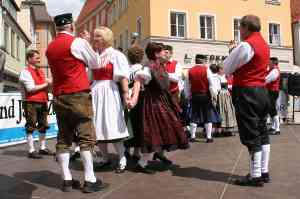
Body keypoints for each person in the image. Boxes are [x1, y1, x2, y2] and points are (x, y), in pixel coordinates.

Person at [46, 13, 109, 193]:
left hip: (59, 95)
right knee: (85, 137)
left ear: (57, 27)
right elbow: (96, 63)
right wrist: (88, 42)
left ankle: (66, 179)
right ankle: (90, 179)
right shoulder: (77, 42)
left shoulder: (50, 47)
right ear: (72, 26)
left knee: (64, 137)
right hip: (78, 94)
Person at [224, 15, 271, 186]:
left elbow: (227, 67)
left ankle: (255, 175)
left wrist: (232, 50)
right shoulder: (265, 45)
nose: (239, 32)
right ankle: (263, 171)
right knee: (262, 131)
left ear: (246, 28)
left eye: (240, 28)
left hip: (247, 92)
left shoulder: (246, 45)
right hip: (261, 91)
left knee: (251, 134)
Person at [130, 42, 189, 172]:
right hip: (153, 104)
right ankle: (142, 163)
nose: (166, 53)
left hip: (161, 102)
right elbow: (138, 80)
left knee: (164, 128)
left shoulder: (160, 66)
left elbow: (170, 78)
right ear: (156, 54)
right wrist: (134, 98)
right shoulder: (148, 67)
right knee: (153, 132)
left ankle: (159, 154)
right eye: (163, 51)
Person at [91, 27, 130, 174]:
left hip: (110, 91)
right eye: (95, 36)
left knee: (112, 124)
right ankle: (105, 158)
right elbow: (89, 76)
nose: (95, 39)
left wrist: (126, 94)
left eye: (99, 36)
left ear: (107, 38)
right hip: (95, 91)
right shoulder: (94, 55)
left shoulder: (116, 55)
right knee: (97, 126)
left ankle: (122, 158)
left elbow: (123, 76)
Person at [19, 50, 54, 159]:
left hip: (42, 101)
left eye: (39, 58)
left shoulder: (40, 71)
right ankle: (31, 150)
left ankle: (42, 148)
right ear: (29, 59)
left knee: (43, 125)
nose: (39, 60)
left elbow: (47, 84)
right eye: (36, 58)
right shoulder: (25, 72)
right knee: (31, 125)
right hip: (30, 102)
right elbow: (31, 89)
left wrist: (51, 82)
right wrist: (46, 84)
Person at [186, 54, 217, 143]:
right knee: (207, 116)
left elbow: (187, 86)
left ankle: (192, 136)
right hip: (205, 96)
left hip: (195, 96)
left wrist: (188, 96)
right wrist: (214, 95)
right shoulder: (207, 70)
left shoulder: (190, 71)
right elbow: (211, 85)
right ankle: (208, 137)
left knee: (194, 115)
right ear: (203, 61)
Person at [123, 45, 145, 164]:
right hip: (140, 100)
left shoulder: (125, 69)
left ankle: (126, 148)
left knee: (127, 124)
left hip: (127, 99)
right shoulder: (143, 69)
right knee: (139, 125)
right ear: (141, 57)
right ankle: (137, 152)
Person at [216, 65, 237, 136]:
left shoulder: (224, 76)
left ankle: (227, 130)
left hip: (227, 96)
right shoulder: (216, 77)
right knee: (221, 112)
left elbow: (230, 84)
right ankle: (218, 130)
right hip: (220, 96)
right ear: (218, 70)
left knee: (228, 112)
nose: (223, 70)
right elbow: (216, 87)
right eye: (221, 69)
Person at [266, 57, 281, 135]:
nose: (268, 63)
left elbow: (267, 80)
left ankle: (277, 128)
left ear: (273, 63)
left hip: (273, 91)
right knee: (271, 109)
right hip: (270, 91)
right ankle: (273, 127)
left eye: (270, 62)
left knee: (272, 109)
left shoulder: (275, 71)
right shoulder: (272, 70)